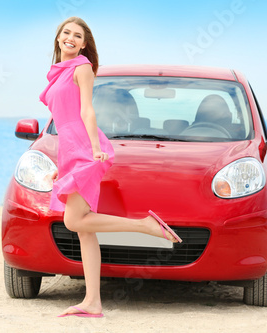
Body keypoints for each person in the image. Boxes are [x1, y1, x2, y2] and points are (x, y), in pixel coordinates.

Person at [39, 17, 182, 318]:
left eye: (77, 36)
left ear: (84, 44)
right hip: (70, 149)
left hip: (84, 146)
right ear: (58, 38)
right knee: (84, 231)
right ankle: (93, 302)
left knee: (74, 220)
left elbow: (87, 110)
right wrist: (61, 166)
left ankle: (144, 226)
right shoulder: (55, 74)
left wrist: (92, 148)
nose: (70, 38)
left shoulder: (81, 67)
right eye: (66, 33)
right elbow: (62, 122)